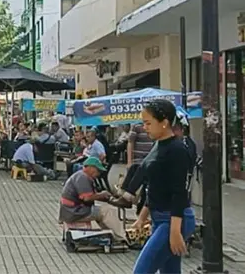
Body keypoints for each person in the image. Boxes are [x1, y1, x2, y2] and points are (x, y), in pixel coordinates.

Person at [132, 99, 196, 273]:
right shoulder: (158, 145)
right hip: (160, 218)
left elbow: (179, 192)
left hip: (174, 219)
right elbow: (154, 186)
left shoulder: (177, 149)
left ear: (164, 123)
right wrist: (142, 217)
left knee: (142, 270)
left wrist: (175, 231)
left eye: (148, 123)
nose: (144, 127)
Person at [59, 157, 127, 243]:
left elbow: (89, 196)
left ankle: (111, 235)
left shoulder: (79, 175)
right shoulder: (83, 177)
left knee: (102, 211)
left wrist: (103, 197)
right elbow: (87, 198)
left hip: (70, 211)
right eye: (97, 170)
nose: (98, 173)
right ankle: (122, 237)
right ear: (91, 167)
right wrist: (102, 194)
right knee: (107, 211)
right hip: (75, 212)